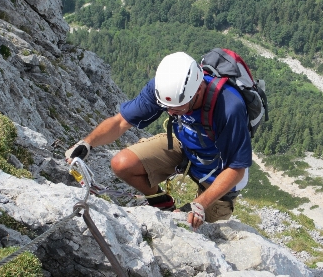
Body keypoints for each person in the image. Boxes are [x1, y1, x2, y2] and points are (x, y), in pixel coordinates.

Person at [65, 51, 252, 231]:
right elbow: (120, 122)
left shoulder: (229, 107)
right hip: (184, 144)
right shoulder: (165, 88)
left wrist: (200, 204)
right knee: (122, 164)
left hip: (219, 170)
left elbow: (236, 168)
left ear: (198, 90)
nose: (170, 112)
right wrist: (87, 143)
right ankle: (162, 203)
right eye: (167, 107)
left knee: (195, 228)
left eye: (178, 108)